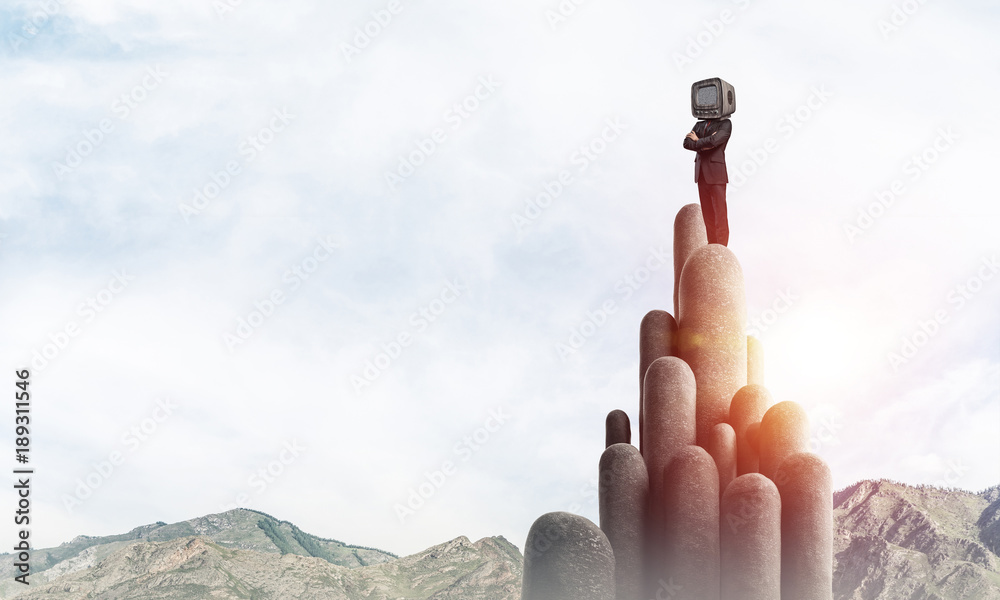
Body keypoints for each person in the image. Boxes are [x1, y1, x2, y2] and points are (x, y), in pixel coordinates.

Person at [683, 117, 732, 246]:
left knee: (719, 214)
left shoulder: (725, 124)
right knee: (707, 215)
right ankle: (711, 247)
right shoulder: (699, 124)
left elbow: (715, 141)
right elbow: (686, 143)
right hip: (701, 175)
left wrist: (698, 141)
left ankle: (721, 250)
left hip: (716, 174)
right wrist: (706, 144)